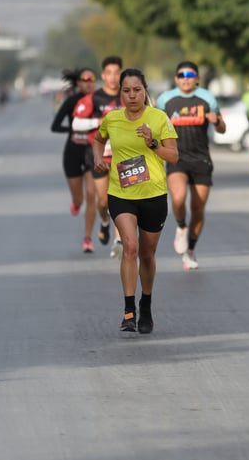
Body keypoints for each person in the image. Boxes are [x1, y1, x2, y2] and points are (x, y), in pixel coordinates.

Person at [92, 68, 178, 334]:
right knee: (130, 246)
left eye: (137, 90)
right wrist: (97, 158)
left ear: (145, 91)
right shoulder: (112, 119)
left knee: (147, 254)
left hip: (153, 195)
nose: (131, 95)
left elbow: (173, 157)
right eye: (126, 91)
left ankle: (146, 303)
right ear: (120, 93)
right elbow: (97, 139)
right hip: (121, 194)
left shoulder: (158, 117)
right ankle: (129, 310)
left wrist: (152, 143)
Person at [156, 61, 226, 270]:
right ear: (176, 78)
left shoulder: (207, 98)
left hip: (201, 160)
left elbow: (222, 129)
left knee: (198, 208)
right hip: (177, 158)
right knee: (178, 199)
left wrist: (216, 121)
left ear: (197, 78)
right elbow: (155, 126)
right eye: (181, 75)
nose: (185, 78)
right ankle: (180, 227)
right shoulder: (165, 100)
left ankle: (191, 249)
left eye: (190, 75)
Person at [72, 56, 125, 258]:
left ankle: (119, 239)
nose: (113, 77)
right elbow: (76, 124)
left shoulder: (128, 96)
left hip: (124, 156)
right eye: (109, 73)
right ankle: (104, 222)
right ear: (103, 75)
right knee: (103, 201)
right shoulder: (94, 98)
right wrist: (99, 122)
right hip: (100, 156)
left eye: (117, 73)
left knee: (122, 198)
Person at [50, 67, 99, 253]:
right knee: (79, 199)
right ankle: (76, 203)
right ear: (78, 83)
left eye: (91, 79)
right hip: (72, 151)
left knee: (91, 194)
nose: (88, 82)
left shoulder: (98, 100)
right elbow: (54, 126)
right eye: (84, 79)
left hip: (91, 151)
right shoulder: (71, 101)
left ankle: (87, 238)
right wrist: (72, 130)